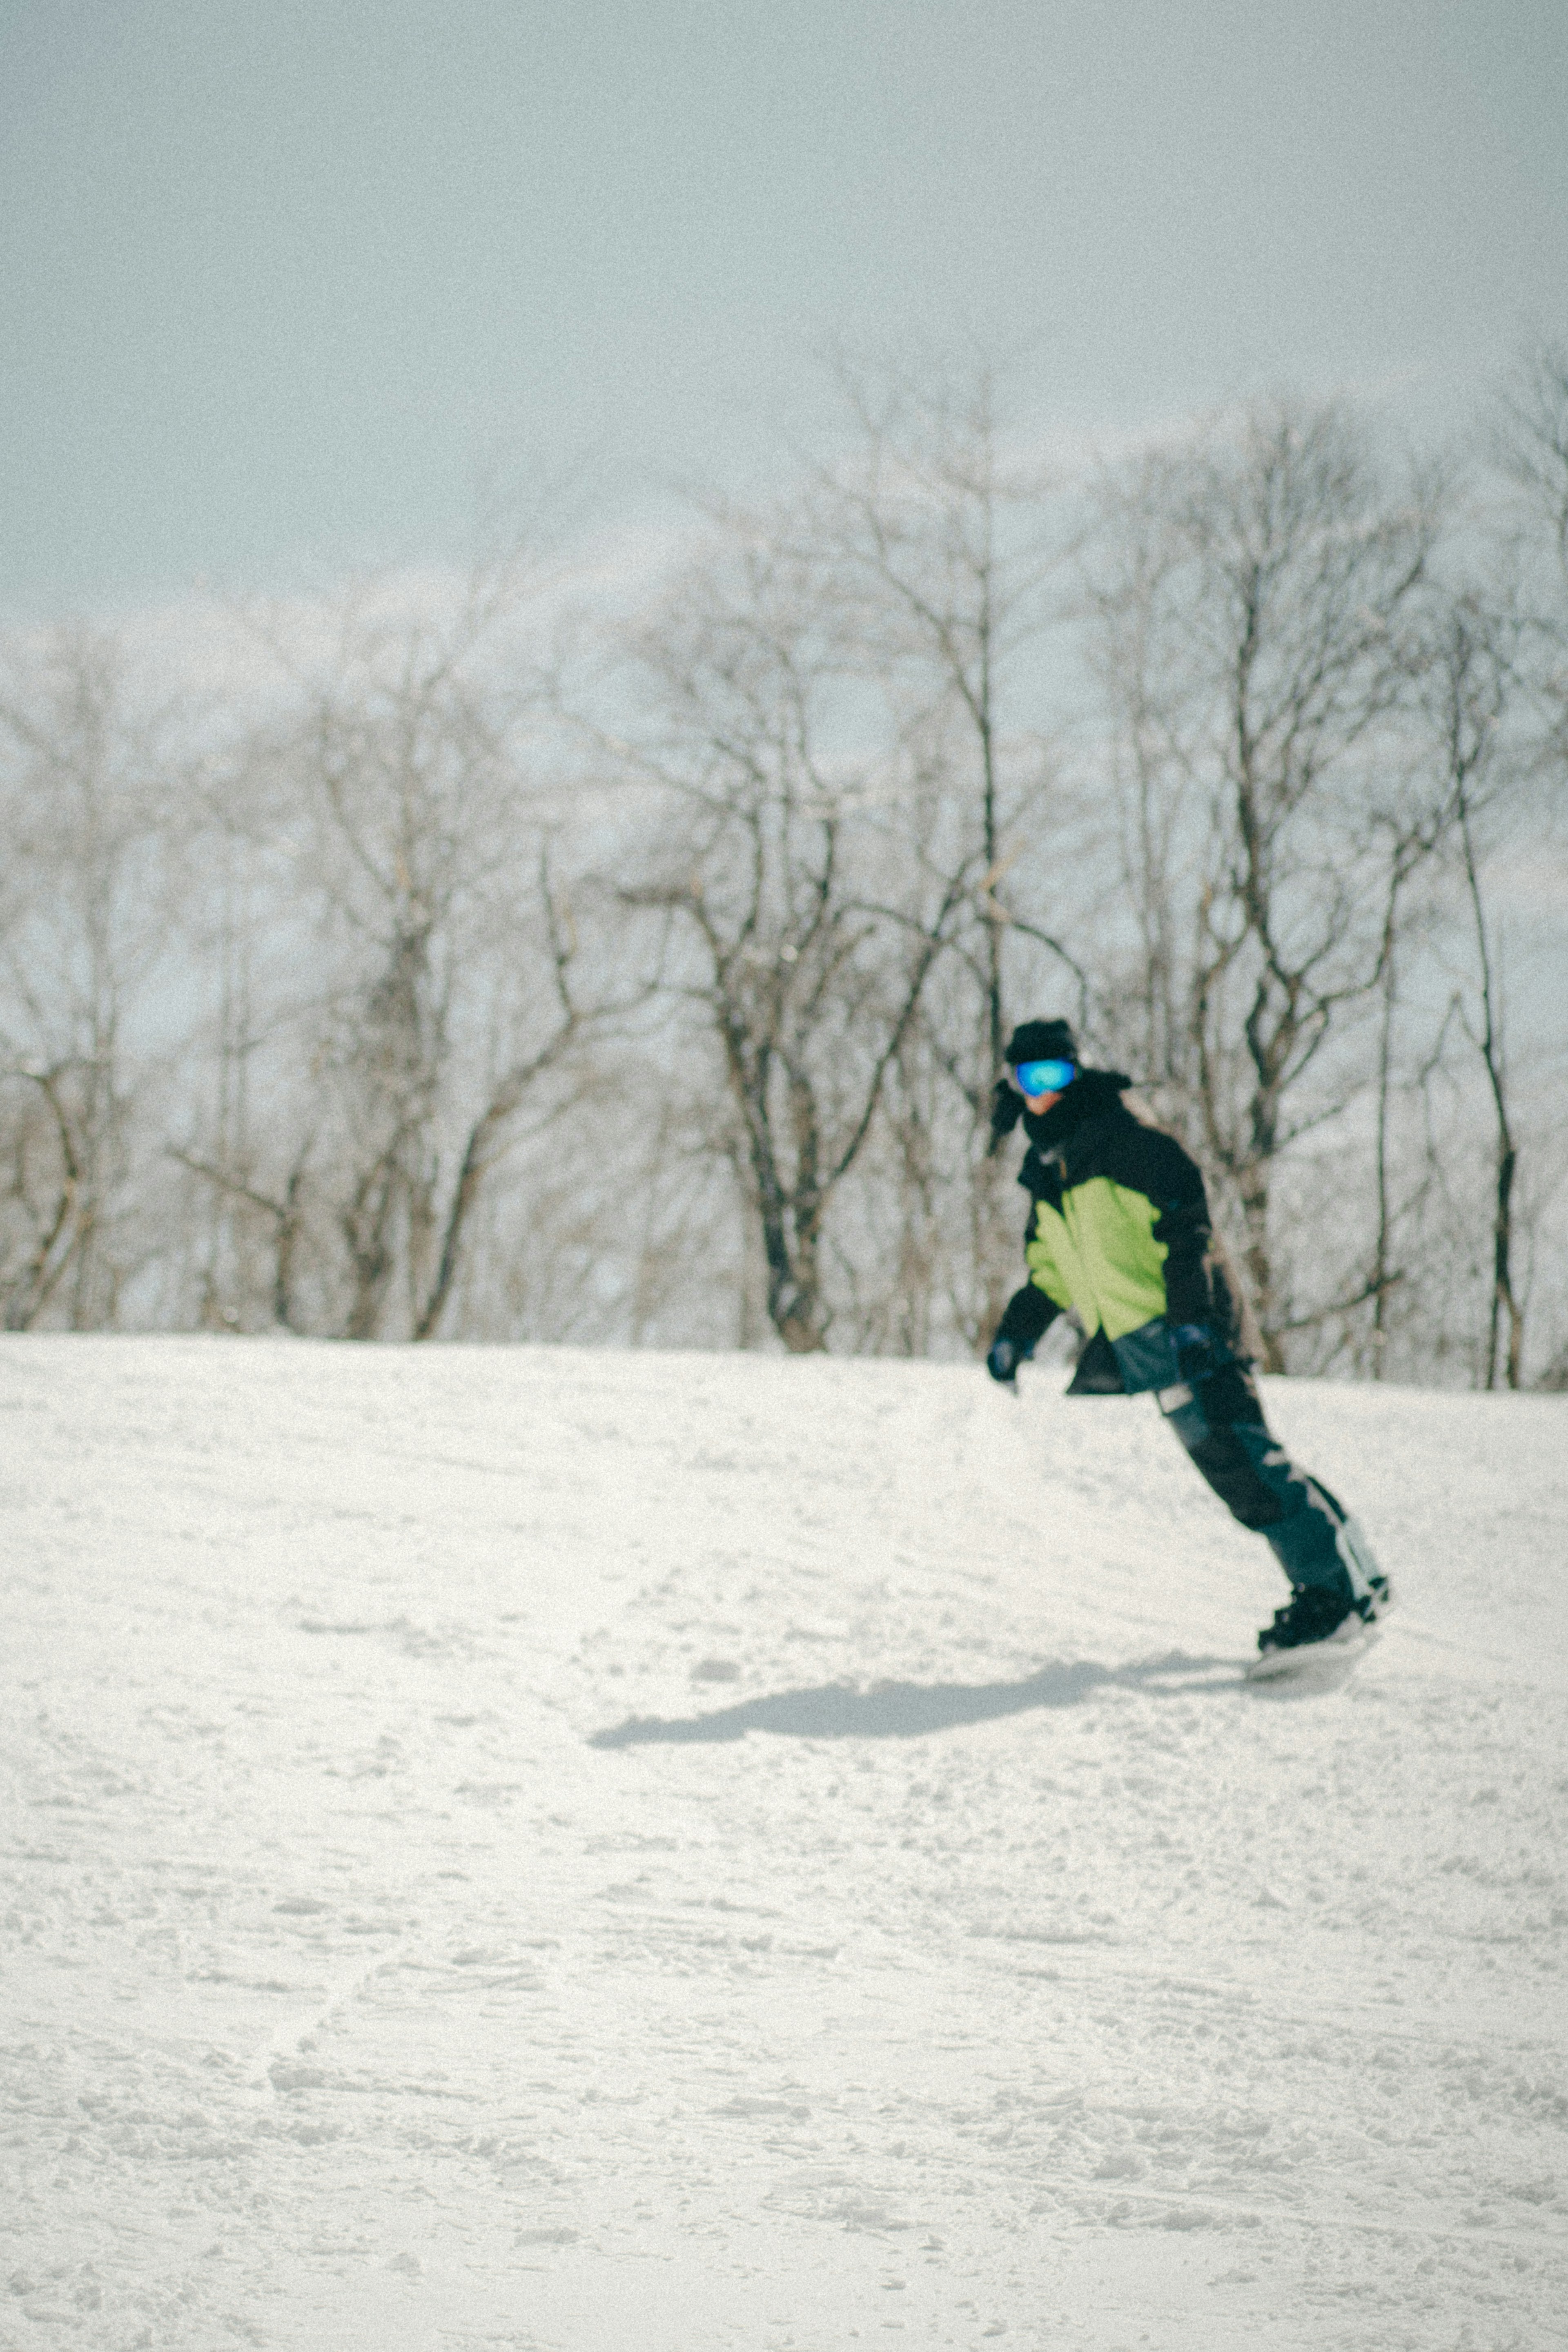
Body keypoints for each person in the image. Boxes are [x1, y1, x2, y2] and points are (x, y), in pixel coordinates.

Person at [984, 1018, 1390, 1661]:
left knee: (1246, 1463)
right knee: (1241, 1462)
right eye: (1027, 1079)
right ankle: (1356, 1580)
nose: (1042, 1092)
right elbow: (1053, 1273)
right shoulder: (1053, 1169)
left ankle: (1332, 1599)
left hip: (1190, 1331)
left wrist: (1193, 1320)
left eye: (1055, 1075)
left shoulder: (1121, 1136)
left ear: (1077, 1071)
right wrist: (1016, 1334)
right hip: (1152, 1345)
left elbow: (1187, 1224)